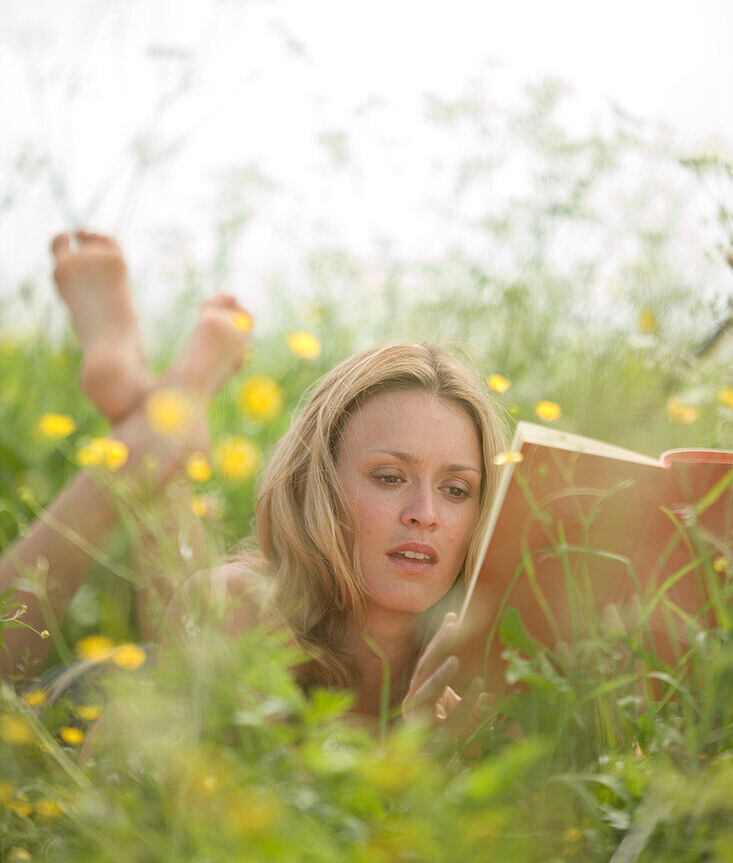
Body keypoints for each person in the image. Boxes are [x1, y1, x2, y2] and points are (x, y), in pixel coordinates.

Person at [0, 232, 507, 750]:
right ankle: (139, 447)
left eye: (456, 489)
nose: (425, 514)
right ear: (318, 484)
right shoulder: (238, 607)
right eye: (390, 478)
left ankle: (148, 426)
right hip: (91, 715)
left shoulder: (484, 662)